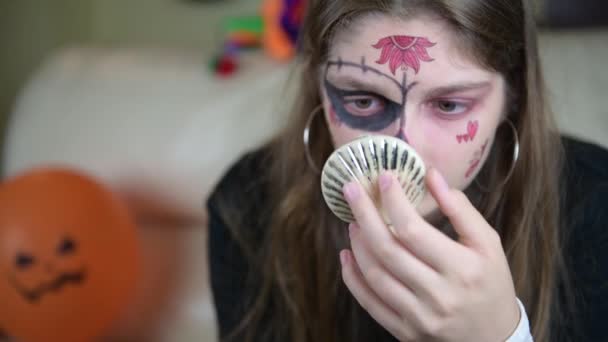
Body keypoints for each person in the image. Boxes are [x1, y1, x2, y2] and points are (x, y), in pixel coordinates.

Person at [206, 0, 608, 341]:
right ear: (318, 83)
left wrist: (503, 335)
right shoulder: (247, 207)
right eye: (363, 100)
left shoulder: (595, 206)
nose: (404, 147)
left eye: (449, 105)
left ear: (512, 98)